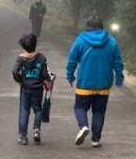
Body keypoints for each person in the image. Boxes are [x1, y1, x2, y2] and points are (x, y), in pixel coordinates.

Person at [66, 16, 124, 147]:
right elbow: (118, 63)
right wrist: (119, 79)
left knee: (80, 107)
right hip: (103, 85)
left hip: (84, 84)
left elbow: (72, 60)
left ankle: (83, 126)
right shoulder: (112, 42)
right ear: (102, 27)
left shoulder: (80, 40)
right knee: (99, 112)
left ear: (87, 27)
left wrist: (70, 76)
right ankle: (95, 140)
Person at [13, 34, 52, 146]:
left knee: (24, 111)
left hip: (25, 88)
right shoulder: (41, 57)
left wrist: (20, 80)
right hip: (38, 89)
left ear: (24, 47)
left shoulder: (20, 59)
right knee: (38, 110)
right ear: (35, 44)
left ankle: (23, 136)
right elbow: (45, 74)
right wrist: (48, 80)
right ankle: (36, 130)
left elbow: (15, 71)